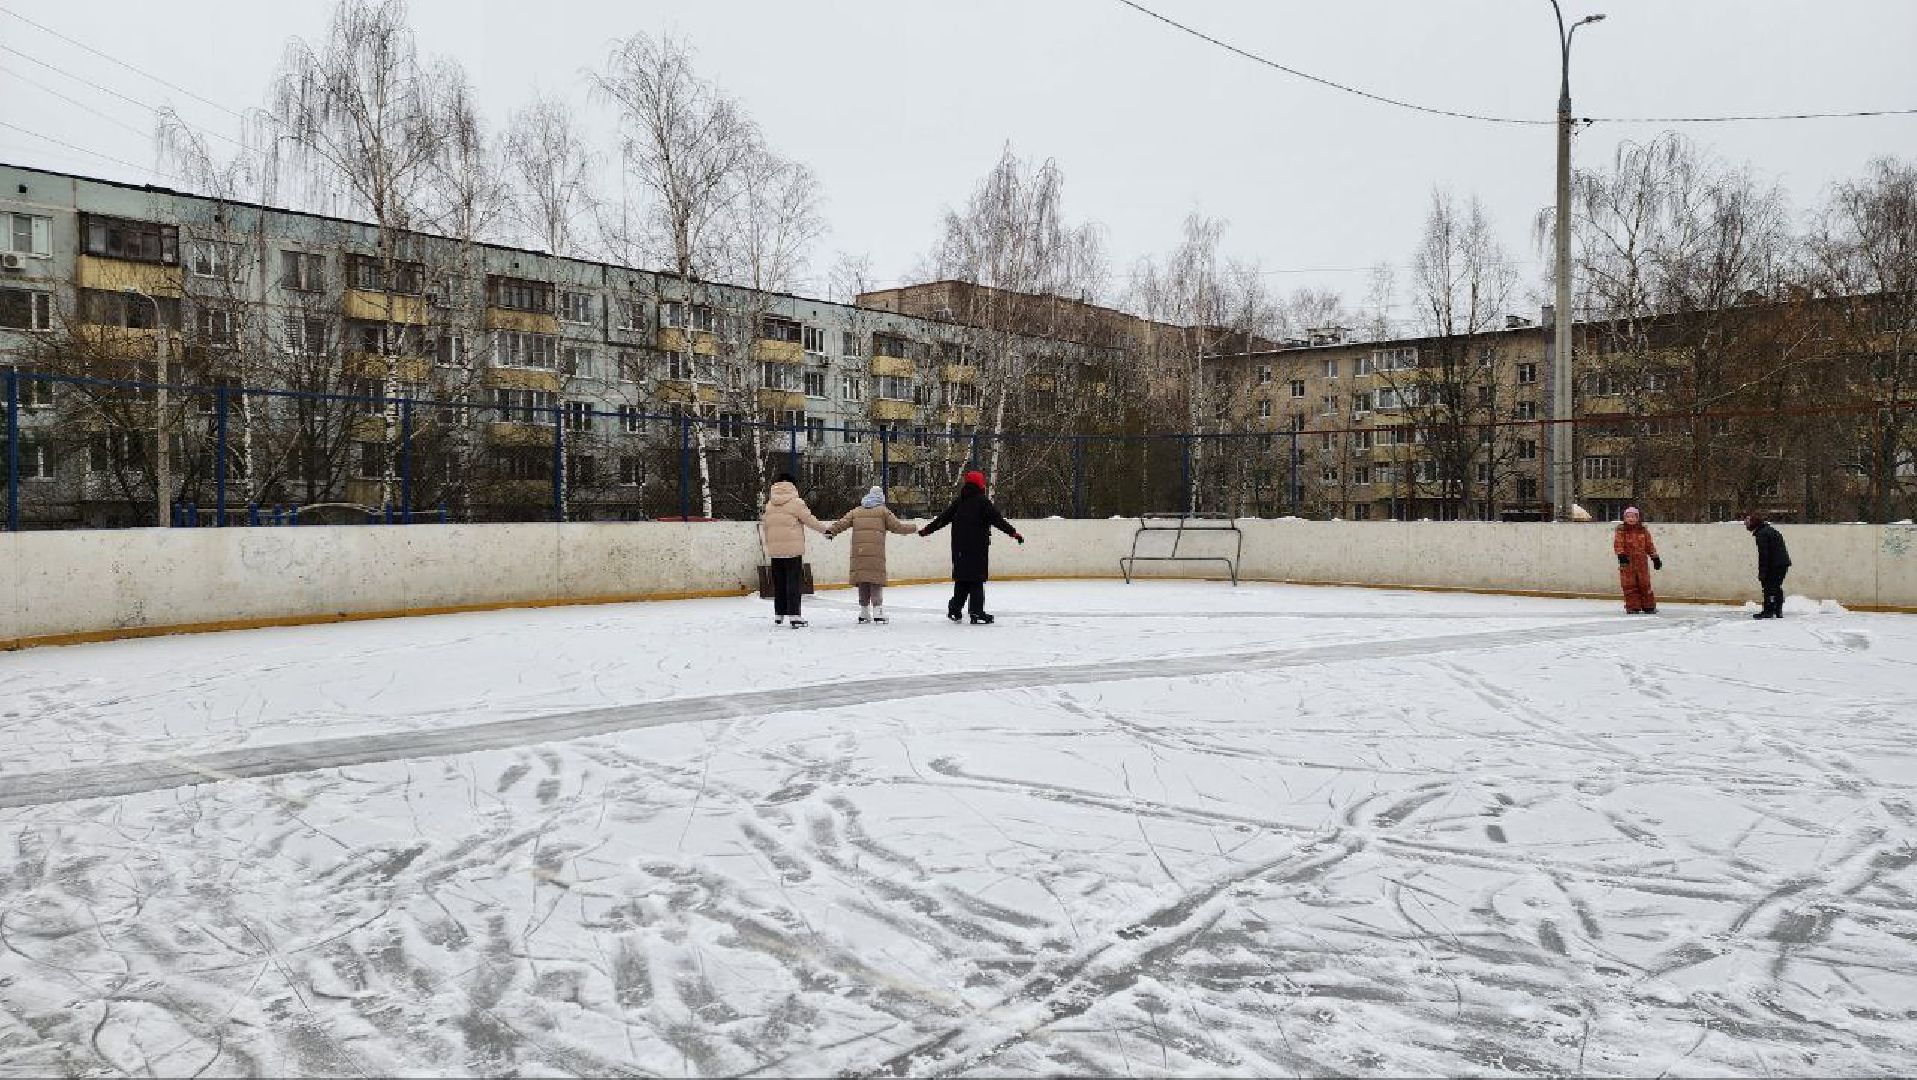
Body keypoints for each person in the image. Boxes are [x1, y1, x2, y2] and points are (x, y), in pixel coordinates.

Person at [919, 470, 1023, 624]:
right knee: (976, 580)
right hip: (977, 549)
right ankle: (976, 612)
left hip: (959, 549)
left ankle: (955, 609)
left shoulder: (960, 501)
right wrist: (1014, 533)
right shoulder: (983, 502)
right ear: (981, 484)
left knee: (962, 580)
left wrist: (927, 530)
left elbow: (943, 518)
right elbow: (998, 520)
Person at [825, 485, 917, 624]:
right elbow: (897, 527)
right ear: (881, 498)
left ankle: (864, 612)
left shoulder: (857, 511)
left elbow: (842, 523)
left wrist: (830, 531)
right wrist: (914, 528)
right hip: (875, 554)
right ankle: (878, 612)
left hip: (859, 552)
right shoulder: (883, 511)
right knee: (875, 581)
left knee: (863, 581)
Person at [760, 472, 830, 628]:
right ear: (792, 485)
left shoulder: (770, 504)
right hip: (792, 550)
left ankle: (779, 614)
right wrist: (825, 531)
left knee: (779, 583)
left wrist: (770, 545)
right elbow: (809, 520)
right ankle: (794, 615)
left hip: (775, 551)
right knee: (793, 582)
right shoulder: (796, 502)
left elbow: (765, 526)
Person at [1612, 506, 1662, 614]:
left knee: (1644, 583)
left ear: (1637, 518)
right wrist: (1621, 555)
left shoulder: (1643, 530)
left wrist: (1655, 557)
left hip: (1641, 561)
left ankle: (1648, 606)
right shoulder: (1621, 530)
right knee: (1629, 584)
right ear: (1625, 518)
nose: (1631, 519)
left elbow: (1649, 545)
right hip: (1627, 561)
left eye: (1633, 517)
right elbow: (1618, 543)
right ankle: (1633, 606)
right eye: (1628, 517)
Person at [1746, 513, 1792, 619]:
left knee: (1769, 587)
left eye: (1748, 523)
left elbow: (1764, 554)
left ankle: (1768, 611)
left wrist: (1762, 572)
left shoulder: (1762, 534)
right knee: (1776, 587)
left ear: (1754, 524)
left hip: (1774, 564)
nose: (1746, 526)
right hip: (1782, 563)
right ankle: (1777, 610)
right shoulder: (1768, 530)